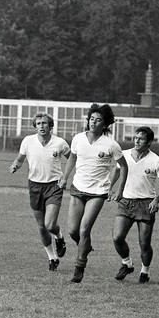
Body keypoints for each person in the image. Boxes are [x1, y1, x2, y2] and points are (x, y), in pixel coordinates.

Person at [59, 103, 128, 283]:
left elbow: (124, 166)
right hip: (77, 188)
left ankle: (79, 267)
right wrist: (64, 177)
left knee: (84, 229)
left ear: (105, 124)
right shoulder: (78, 139)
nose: (93, 123)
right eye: (91, 119)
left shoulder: (111, 144)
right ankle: (85, 247)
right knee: (73, 230)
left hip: (98, 192)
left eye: (98, 120)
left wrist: (118, 189)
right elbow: (72, 157)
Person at [10, 112, 70, 271]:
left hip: (54, 187)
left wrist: (66, 176)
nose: (41, 126)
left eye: (44, 123)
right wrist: (15, 165)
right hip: (35, 186)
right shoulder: (28, 141)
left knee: (49, 224)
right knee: (42, 227)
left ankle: (59, 237)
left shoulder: (60, 143)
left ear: (50, 126)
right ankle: (52, 258)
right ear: (35, 126)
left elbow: (72, 158)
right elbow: (19, 159)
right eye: (38, 124)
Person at [109, 126, 159, 283]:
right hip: (126, 202)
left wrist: (156, 201)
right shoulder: (125, 155)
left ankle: (145, 271)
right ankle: (127, 263)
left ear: (149, 142)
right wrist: (110, 188)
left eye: (141, 138)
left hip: (145, 204)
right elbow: (116, 170)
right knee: (117, 237)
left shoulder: (156, 161)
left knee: (144, 243)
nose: (136, 141)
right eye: (135, 138)